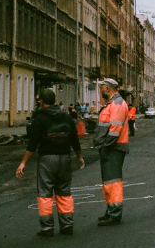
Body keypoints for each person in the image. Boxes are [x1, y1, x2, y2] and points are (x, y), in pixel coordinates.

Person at [16, 89, 85, 237]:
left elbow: (32, 145)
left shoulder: (40, 119)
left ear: (41, 102)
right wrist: (79, 157)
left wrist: (23, 163)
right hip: (65, 158)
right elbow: (75, 140)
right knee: (64, 191)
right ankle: (67, 224)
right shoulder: (66, 118)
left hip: (47, 159)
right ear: (54, 101)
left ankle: (47, 227)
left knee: (45, 193)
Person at [94, 78, 129, 226]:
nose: (100, 91)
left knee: (113, 182)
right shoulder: (112, 104)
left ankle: (114, 214)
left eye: (101, 88)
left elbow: (115, 130)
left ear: (107, 89)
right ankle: (111, 211)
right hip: (110, 147)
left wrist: (105, 146)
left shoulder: (117, 104)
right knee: (108, 182)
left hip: (113, 148)